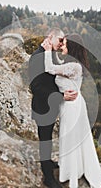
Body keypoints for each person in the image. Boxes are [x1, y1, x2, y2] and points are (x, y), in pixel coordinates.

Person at [42, 33, 101, 188]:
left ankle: (72, 172)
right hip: (70, 104)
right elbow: (58, 67)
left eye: (64, 44)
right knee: (70, 137)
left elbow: (50, 68)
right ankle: (71, 169)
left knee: (70, 138)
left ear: (72, 48)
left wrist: (47, 50)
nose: (62, 46)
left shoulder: (74, 66)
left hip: (72, 106)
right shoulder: (71, 64)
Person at [28, 28, 78, 188]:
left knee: (48, 138)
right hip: (42, 107)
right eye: (60, 40)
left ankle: (48, 162)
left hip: (51, 106)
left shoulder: (49, 55)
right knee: (45, 141)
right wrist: (61, 97)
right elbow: (36, 87)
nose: (62, 43)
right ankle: (48, 178)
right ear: (50, 38)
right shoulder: (37, 57)